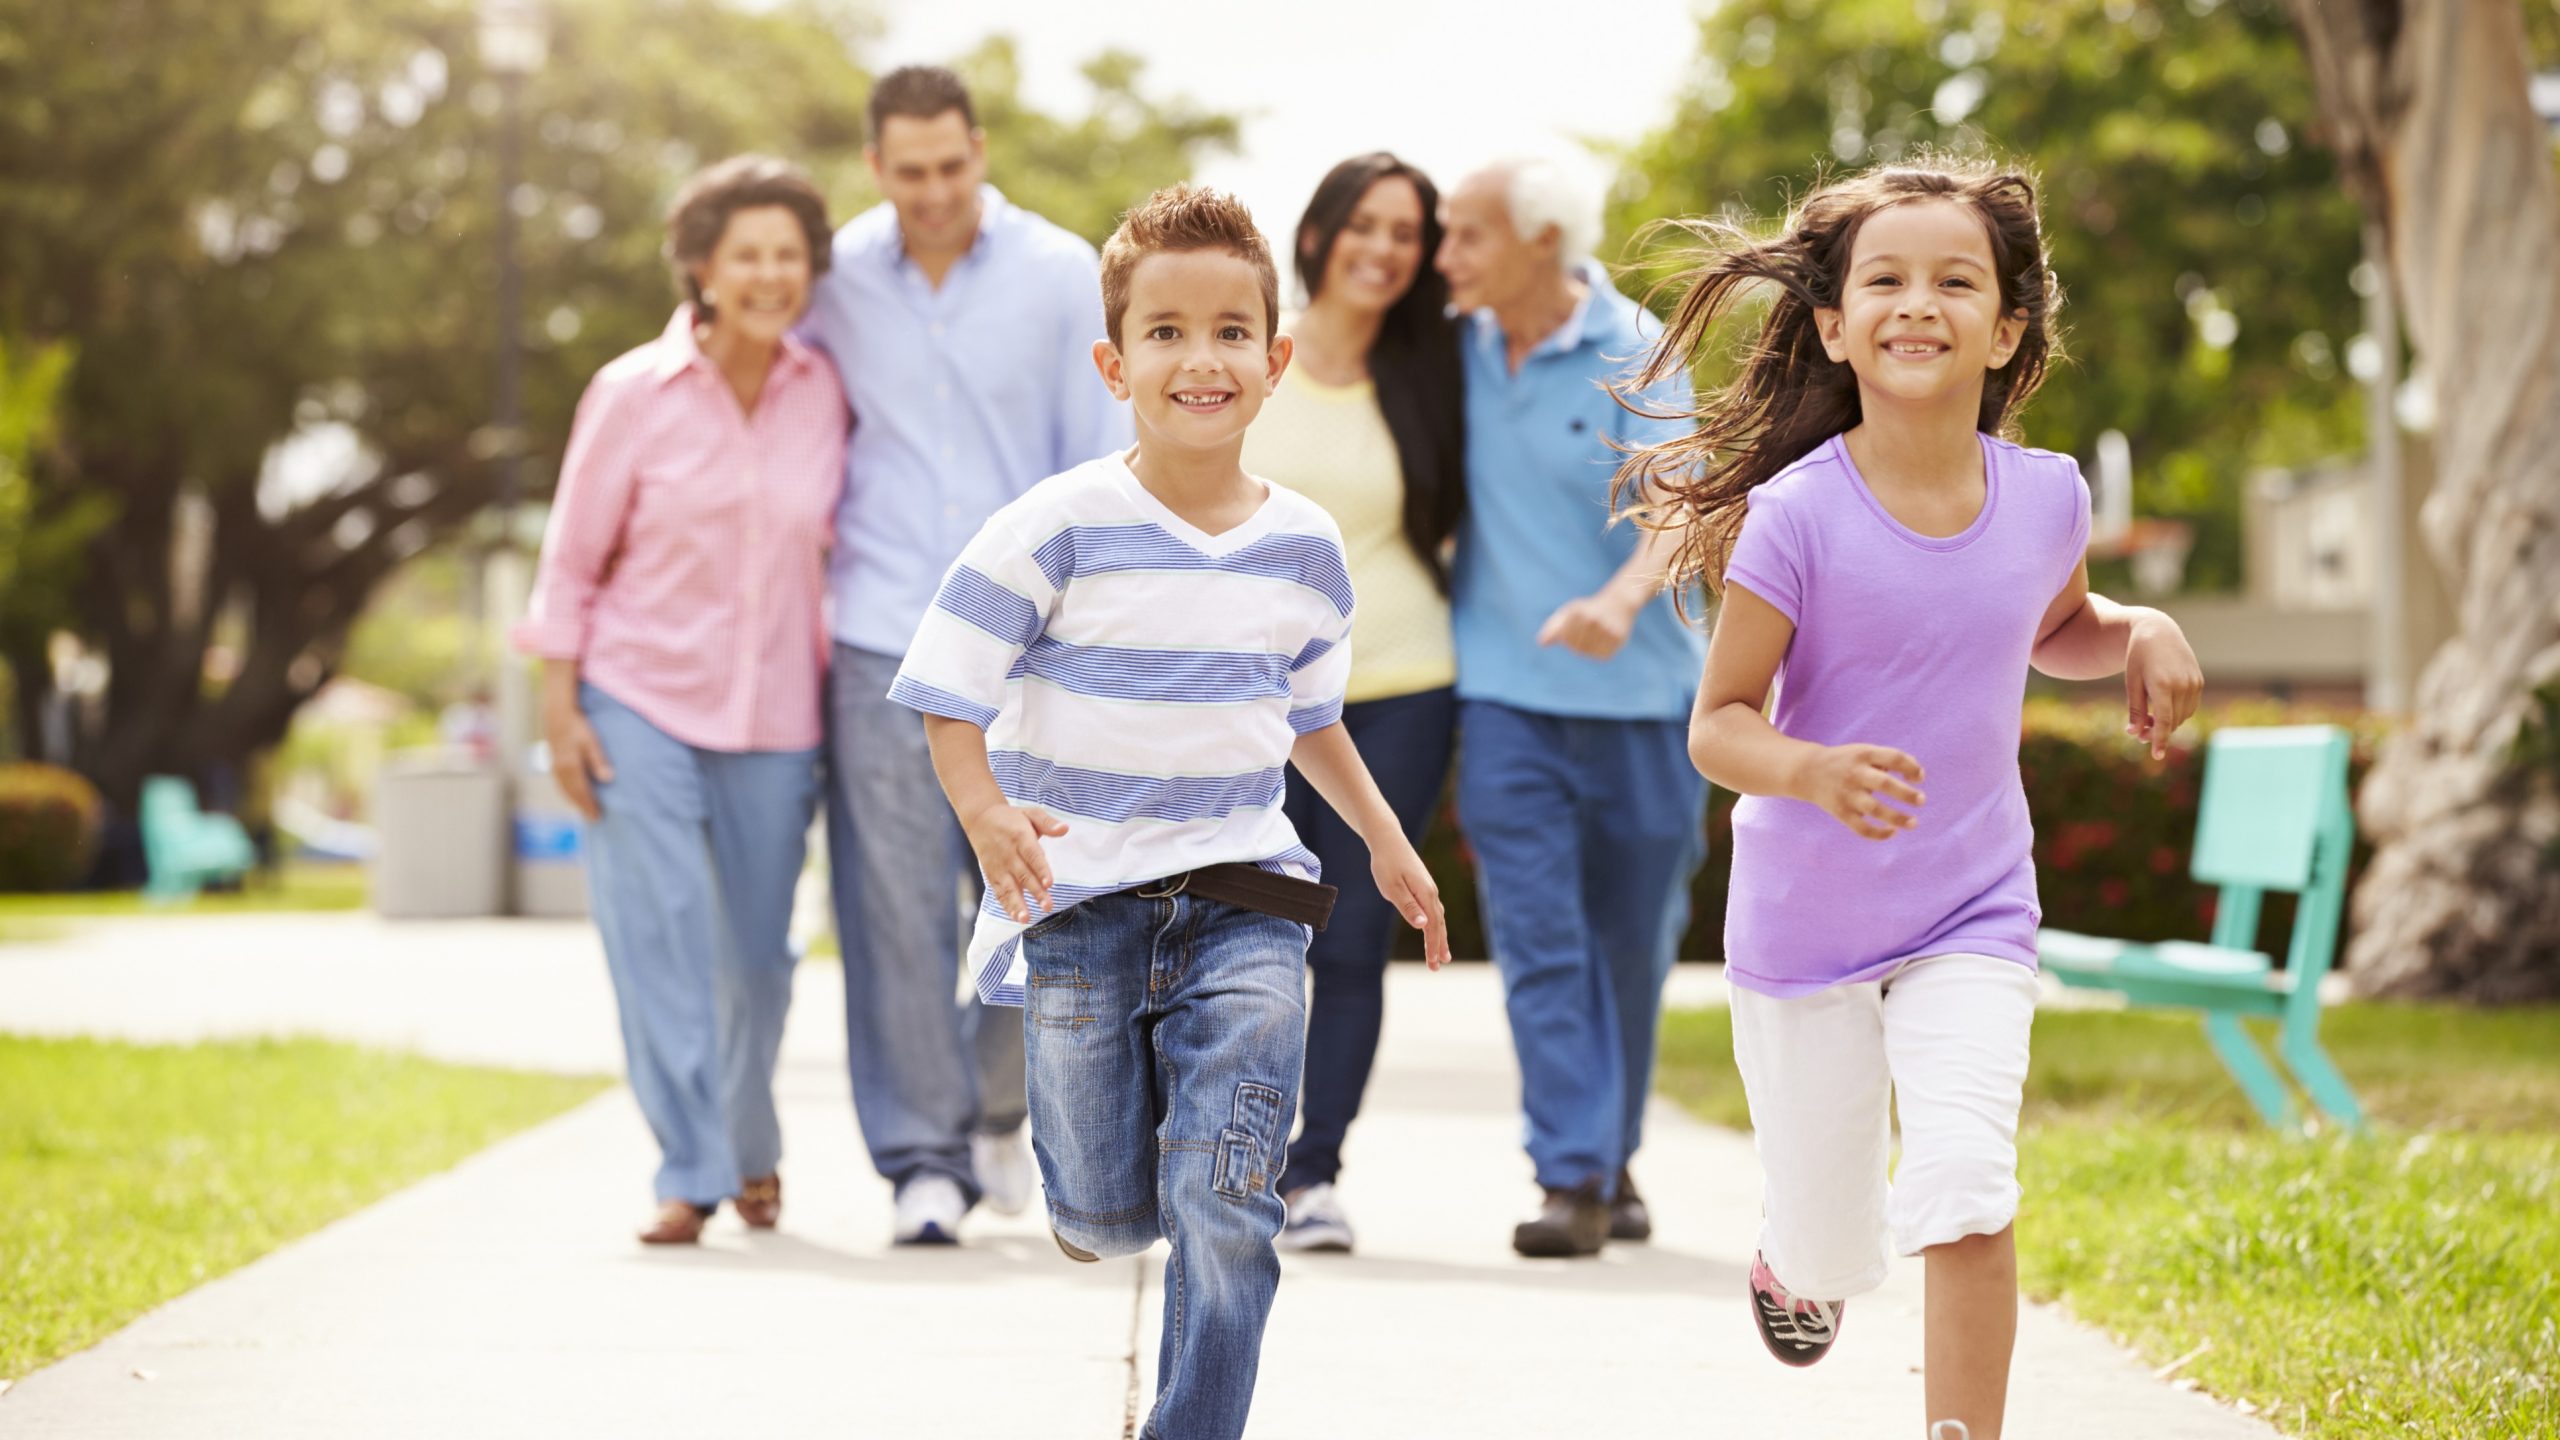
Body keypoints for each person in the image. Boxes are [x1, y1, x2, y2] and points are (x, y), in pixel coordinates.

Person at [1610, 157, 2203, 1439]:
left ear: (2006, 329)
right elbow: (1717, 725)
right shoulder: (1795, 517)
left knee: (1964, 1182)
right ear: (1833, 324)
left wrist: (2139, 625)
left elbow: (2055, 625)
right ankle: (1794, 1267)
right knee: (1832, 1249)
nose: (1916, 302)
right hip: (1806, 928)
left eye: (1954, 280)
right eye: (1883, 278)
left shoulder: (2045, 498)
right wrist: (1809, 770)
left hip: (1972, 908)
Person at [893, 186, 1452, 1440]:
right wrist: (985, 813)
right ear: (1114, 361)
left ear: (1274, 362)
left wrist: (1383, 837)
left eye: (1229, 332)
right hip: (1080, 904)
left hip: (1247, 899)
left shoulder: (1306, 548)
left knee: (1227, 1195)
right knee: (1102, 1209)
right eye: (1165, 332)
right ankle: (1100, 1195)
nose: (1200, 358)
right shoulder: (1056, 528)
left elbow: (1309, 720)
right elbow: (945, 688)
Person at [803, 65, 1131, 1245]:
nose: (934, 191)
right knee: (888, 908)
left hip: (1017, 648)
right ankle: (920, 1164)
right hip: (875, 632)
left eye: (952, 166)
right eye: (909, 172)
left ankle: (997, 1108)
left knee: (1025, 892)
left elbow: (1092, 462)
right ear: (877, 167)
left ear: (978, 151)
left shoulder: (1057, 273)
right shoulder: (831, 279)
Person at [515, 155, 846, 1246]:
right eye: (744, 254)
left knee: (756, 956)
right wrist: (559, 711)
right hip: (635, 700)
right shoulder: (628, 394)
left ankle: (749, 1142)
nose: (767, 274)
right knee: (658, 936)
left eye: (787, 256)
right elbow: (568, 563)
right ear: (702, 267)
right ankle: (690, 1168)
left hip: (776, 716)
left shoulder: (823, 395)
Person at [1436, 152, 1706, 1258]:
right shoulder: (1444, 351)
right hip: (1503, 697)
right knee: (1542, 941)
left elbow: (1681, 507)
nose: (1443, 257)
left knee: (1630, 947)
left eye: (1467, 236)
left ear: (1541, 241)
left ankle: (1610, 1150)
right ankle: (1571, 1175)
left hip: (1642, 701)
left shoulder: (1637, 350)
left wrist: (1619, 597)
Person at [1238, 152, 1465, 1254]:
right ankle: (1224, 1154)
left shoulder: (1433, 372)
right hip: (1247, 697)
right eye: (1365, 226)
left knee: (1353, 928)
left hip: (1400, 683)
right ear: (1320, 232)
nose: (1383, 249)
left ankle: (1312, 1171)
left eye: (1406, 233)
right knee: (1241, 927)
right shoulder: (1252, 354)